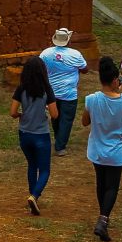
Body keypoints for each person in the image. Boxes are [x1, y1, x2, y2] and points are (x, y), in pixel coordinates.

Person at [81, 57, 122, 242]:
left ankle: (102, 216)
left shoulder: (91, 99)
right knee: (112, 186)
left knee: (101, 183)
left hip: (97, 149)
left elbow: (85, 121)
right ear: (114, 81)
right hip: (117, 150)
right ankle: (103, 219)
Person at [10, 56, 58, 216]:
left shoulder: (21, 88)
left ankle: (32, 195)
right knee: (44, 170)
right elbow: (54, 113)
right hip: (41, 134)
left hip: (25, 133)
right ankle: (34, 195)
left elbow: (12, 112)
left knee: (32, 165)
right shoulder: (46, 89)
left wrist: (20, 115)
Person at [40, 28, 88, 157]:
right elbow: (85, 69)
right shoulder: (75, 54)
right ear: (68, 40)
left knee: (55, 117)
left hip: (51, 93)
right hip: (69, 93)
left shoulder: (46, 53)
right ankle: (60, 146)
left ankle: (58, 139)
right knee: (66, 119)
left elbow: (40, 68)